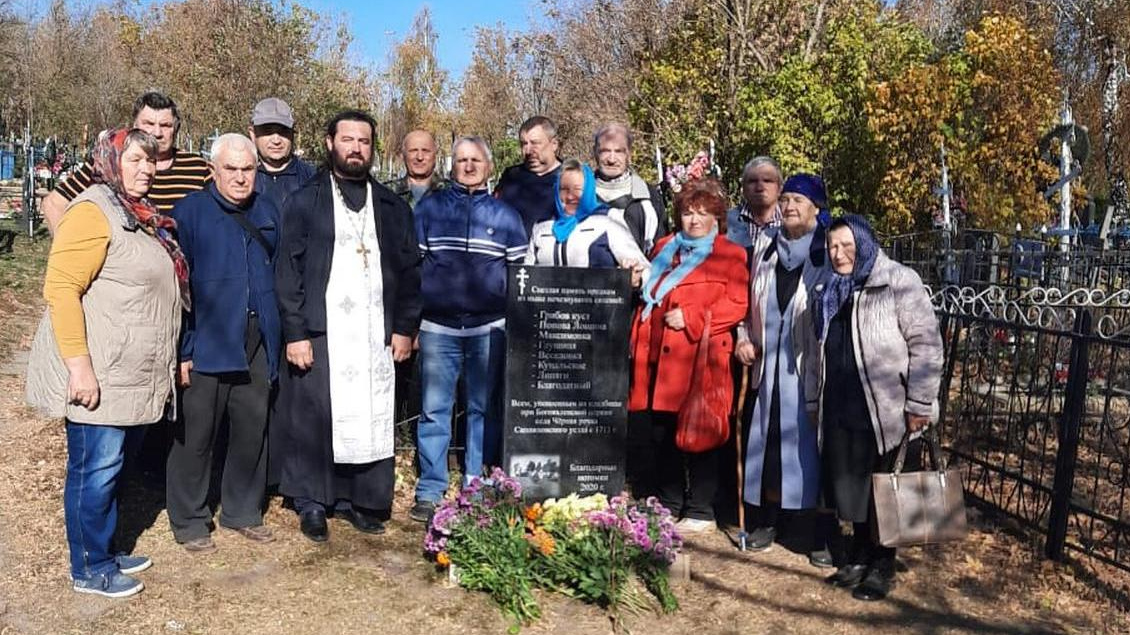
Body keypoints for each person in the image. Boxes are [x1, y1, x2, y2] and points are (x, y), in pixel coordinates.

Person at [25, 128, 188, 598]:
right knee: (94, 470)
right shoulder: (95, 211)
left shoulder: (138, 214)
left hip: (132, 374)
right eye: (134, 159)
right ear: (110, 161)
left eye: (150, 161)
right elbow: (60, 289)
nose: (144, 169)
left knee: (114, 469)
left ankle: (107, 549)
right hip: (101, 369)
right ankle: (89, 568)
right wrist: (79, 367)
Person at [274, 110, 422, 542]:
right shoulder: (305, 201)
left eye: (364, 141)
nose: (356, 148)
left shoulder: (393, 206)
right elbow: (288, 271)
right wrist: (296, 332)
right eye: (348, 140)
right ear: (329, 143)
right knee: (316, 417)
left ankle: (362, 500)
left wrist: (405, 327)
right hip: (323, 332)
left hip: (377, 330)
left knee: (371, 415)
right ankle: (313, 503)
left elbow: (411, 270)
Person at [807, 214, 943, 601]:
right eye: (833, 246)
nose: (838, 254)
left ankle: (882, 564)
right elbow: (814, 348)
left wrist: (919, 401)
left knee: (886, 485)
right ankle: (860, 554)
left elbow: (926, 344)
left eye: (847, 245)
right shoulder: (829, 288)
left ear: (865, 243)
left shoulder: (898, 281)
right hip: (841, 401)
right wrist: (813, 398)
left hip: (886, 406)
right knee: (854, 485)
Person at [165, 133, 281, 553]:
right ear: (213, 171)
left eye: (247, 169)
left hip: (256, 338)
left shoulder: (268, 210)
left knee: (252, 429)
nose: (239, 177)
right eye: (230, 169)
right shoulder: (190, 212)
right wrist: (183, 349)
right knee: (197, 434)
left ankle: (241, 510)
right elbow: (176, 286)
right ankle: (190, 519)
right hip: (208, 339)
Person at [411, 136, 527, 522]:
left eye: (476, 159)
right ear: (451, 164)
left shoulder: (506, 217)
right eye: (461, 159)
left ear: (489, 166)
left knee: (481, 410)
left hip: (488, 328)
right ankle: (430, 487)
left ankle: (476, 484)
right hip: (437, 327)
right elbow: (414, 269)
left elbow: (518, 278)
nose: (468, 166)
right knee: (434, 410)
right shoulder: (430, 209)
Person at [627, 177, 749, 533]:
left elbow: (738, 304)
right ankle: (669, 500)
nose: (693, 220)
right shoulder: (664, 248)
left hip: (700, 359)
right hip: (658, 360)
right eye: (687, 213)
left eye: (702, 214)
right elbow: (650, 294)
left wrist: (692, 318)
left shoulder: (730, 254)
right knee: (662, 433)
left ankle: (701, 507)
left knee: (702, 429)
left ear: (717, 219)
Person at [737, 173, 832, 565]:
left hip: (807, 369)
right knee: (770, 444)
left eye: (799, 200)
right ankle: (767, 519)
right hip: (767, 368)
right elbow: (747, 304)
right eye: (787, 199)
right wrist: (744, 336)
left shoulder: (826, 254)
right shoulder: (766, 251)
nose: (790, 206)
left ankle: (816, 532)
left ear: (816, 208)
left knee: (812, 448)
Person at [43, 92, 211, 231]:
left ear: (175, 128)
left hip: (182, 266)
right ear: (134, 126)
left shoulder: (198, 167)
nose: (157, 132)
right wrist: (70, 256)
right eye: (149, 123)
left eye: (165, 125)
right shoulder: (109, 165)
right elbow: (53, 203)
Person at [524, 157, 649, 282]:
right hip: (547, 300)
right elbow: (525, 274)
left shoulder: (608, 219)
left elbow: (645, 270)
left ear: (589, 190)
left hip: (599, 299)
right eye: (564, 189)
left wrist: (636, 278)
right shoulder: (542, 226)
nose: (570, 196)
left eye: (577, 189)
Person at [591, 123, 668, 253]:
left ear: (629, 154)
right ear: (595, 153)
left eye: (619, 151)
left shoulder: (649, 197)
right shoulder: (578, 194)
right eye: (605, 151)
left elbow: (660, 252)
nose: (611, 159)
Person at [495, 116, 562, 234]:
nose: (528, 151)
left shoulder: (571, 178)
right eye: (524, 144)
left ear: (554, 144)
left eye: (535, 143)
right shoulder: (511, 177)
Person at [249, 97, 316, 210]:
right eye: (267, 131)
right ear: (252, 134)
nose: (276, 140)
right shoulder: (242, 179)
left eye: (283, 131)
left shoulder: (312, 179)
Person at [725, 156, 783, 255]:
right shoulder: (724, 222)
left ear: (780, 188)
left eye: (767, 181)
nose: (760, 187)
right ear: (743, 188)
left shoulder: (793, 223)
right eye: (752, 181)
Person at [386, 129, 445, 209]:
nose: (420, 157)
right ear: (403, 156)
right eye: (413, 151)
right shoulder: (385, 193)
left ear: (435, 156)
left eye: (426, 151)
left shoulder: (454, 193)